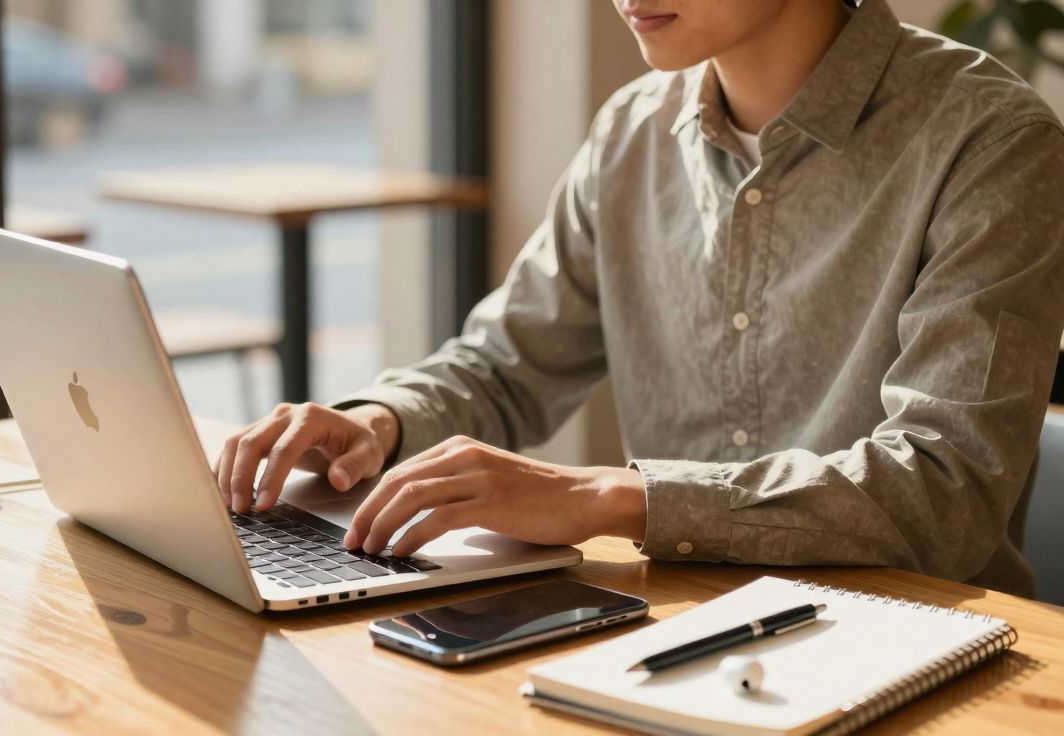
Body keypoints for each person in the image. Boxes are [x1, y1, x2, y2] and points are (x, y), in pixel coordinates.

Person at [214, 0, 1064, 596]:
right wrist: (378, 423)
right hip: (674, 624)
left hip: (919, 646)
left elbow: (945, 486)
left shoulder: (990, 140)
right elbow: (508, 365)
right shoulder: (631, 131)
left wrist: (606, 498)